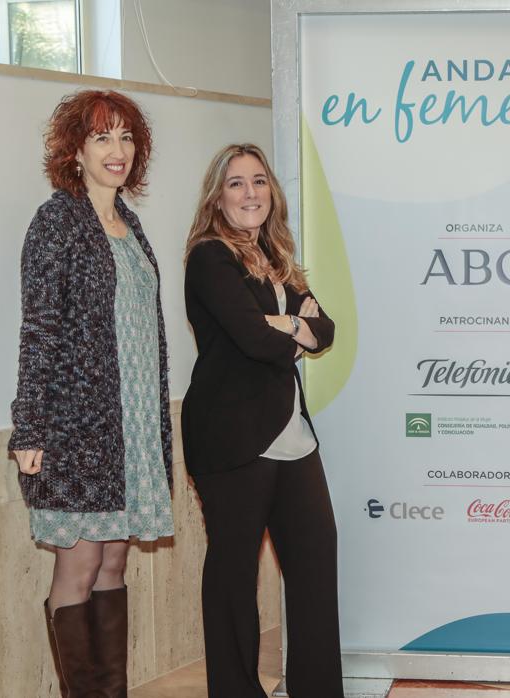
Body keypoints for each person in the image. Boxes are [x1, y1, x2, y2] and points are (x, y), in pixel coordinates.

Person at [9, 89, 174, 696]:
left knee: (113, 560)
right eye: (102, 137)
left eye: (126, 137)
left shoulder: (129, 225)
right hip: (79, 427)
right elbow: (40, 328)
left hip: (130, 429)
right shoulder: (58, 221)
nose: (117, 150)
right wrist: (28, 427)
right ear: (74, 150)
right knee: (79, 563)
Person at [181, 144, 341, 698]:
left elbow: (327, 331)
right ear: (217, 198)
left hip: (293, 436)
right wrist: (294, 326)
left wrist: (288, 325)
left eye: (258, 182)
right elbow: (251, 338)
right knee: (233, 578)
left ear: (271, 191)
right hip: (232, 439)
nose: (250, 193)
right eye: (235, 184)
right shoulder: (210, 257)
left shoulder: (276, 257)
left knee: (316, 564)